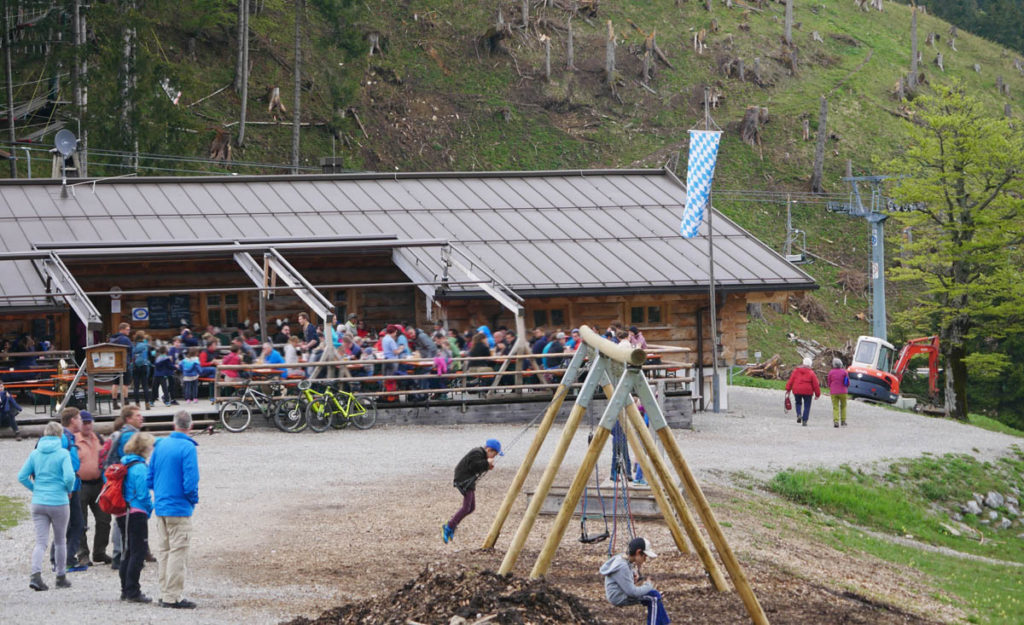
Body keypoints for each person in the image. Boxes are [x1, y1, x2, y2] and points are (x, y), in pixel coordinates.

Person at [149, 410, 200, 609]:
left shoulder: (160, 445)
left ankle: (165, 592)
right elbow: (191, 481)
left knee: (164, 551)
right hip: (179, 506)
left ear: (174, 425)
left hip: (161, 505)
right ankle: (172, 595)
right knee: (178, 551)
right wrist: (192, 500)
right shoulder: (188, 448)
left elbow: (150, 476)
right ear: (190, 427)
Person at [19, 421, 76, 591]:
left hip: (39, 501)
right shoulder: (63, 453)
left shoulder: (35, 453)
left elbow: (22, 476)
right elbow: (69, 476)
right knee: (60, 541)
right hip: (58, 500)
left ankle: (35, 575)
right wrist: (68, 489)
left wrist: (35, 488)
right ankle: (60, 576)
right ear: (60, 436)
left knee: (40, 542)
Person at [116, 432, 156, 603]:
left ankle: (125, 589)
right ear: (144, 448)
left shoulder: (125, 462)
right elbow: (143, 493)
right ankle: (133, 590)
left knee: (128, 551)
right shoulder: (139, 467)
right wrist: (150, 509)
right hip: (136, 512)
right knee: (138, 552)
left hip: (122, 512)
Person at [442, 439, 502, 544]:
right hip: (464, 480)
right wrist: (486, 463)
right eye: (494, 454)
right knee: (466, 507)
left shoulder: (481, 455)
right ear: (489, 450)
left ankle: (452, 524)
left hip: (469, 480)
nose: (494, 457)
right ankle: (448, 527)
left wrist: (487, 466)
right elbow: (474, 466)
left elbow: (478, 468)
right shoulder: (477, 452)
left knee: (471, 508)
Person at [599, 536, 671, 625]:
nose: (645, 560)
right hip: (619, 597)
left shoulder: (624, 559)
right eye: (644, 556)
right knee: (654, 597)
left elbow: (624, 578)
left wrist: (632, 575)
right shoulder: (622, 566)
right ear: (638, 552)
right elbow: (632, 592)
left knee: (655, 596)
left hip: (621, 593)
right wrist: (649, 585)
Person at [106, 405, 145, 569]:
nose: (141, 418)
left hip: (117, 480)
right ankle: (120, 554)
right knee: (124, 518)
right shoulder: (130, 435)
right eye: (137, 416)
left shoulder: (120, 433)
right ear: (128, 419)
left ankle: (122, 553)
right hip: (124, 482)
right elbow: (129, 461)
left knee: (121, 517)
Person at [74, 411, 112, 566]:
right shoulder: (73, 440)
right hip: (80, 485)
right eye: (85, 422)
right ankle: (82, 554)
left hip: (99, 484)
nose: (88, 425)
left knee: (104, 519)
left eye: (90, 422)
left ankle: (99, 552)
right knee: (80, 521)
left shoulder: (98, 438)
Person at [57, 408, 85, 571]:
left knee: (70, 523)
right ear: (73, 420)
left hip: (72, 486)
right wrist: (66, 487)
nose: (81, 422)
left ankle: (62, 558)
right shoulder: (64, 438)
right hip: (68, 487)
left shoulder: (67, 437)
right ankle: (65, 559)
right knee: (74, 524)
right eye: (80, 418)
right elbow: (61, 464)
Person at [785, 357, 821, 427]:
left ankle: (799, 414)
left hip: (797, 390)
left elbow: (791, 380)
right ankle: (804, 420)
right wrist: (817, 394)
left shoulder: (796, 371)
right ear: (810, 365)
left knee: (798, 403)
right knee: (807, 406)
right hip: (808, 391)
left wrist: (788, 389)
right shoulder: (811, 373)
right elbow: (815, 384)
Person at [109, 322, 133, 409]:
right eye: (127, 329)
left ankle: (114, 402)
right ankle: (125, 401)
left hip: (114, 363)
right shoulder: (125, 339)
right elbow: (130, 350)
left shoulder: (112, 338)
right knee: (125, 383)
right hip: (124, 362)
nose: (129, 331)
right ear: (122, 330)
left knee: (115, 383)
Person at [130, 331, 153, 410]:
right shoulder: (146, 345)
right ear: (143, 337)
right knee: (145, 386)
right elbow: (150, 356)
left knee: (136, 386)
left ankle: (137, 404)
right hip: (144, 366)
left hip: (135, 366)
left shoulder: (133, 345)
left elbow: (131, 356)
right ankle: (147, 404)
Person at [827, 358, 850, 428]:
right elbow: (848, 382)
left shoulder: (831, 372)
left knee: (835, 407)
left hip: (833, 392)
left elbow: (829, 382)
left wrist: (831, 387)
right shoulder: (844, 372)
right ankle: (843, 421)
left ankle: (836, 421)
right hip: (843, 391)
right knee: (843, 406)